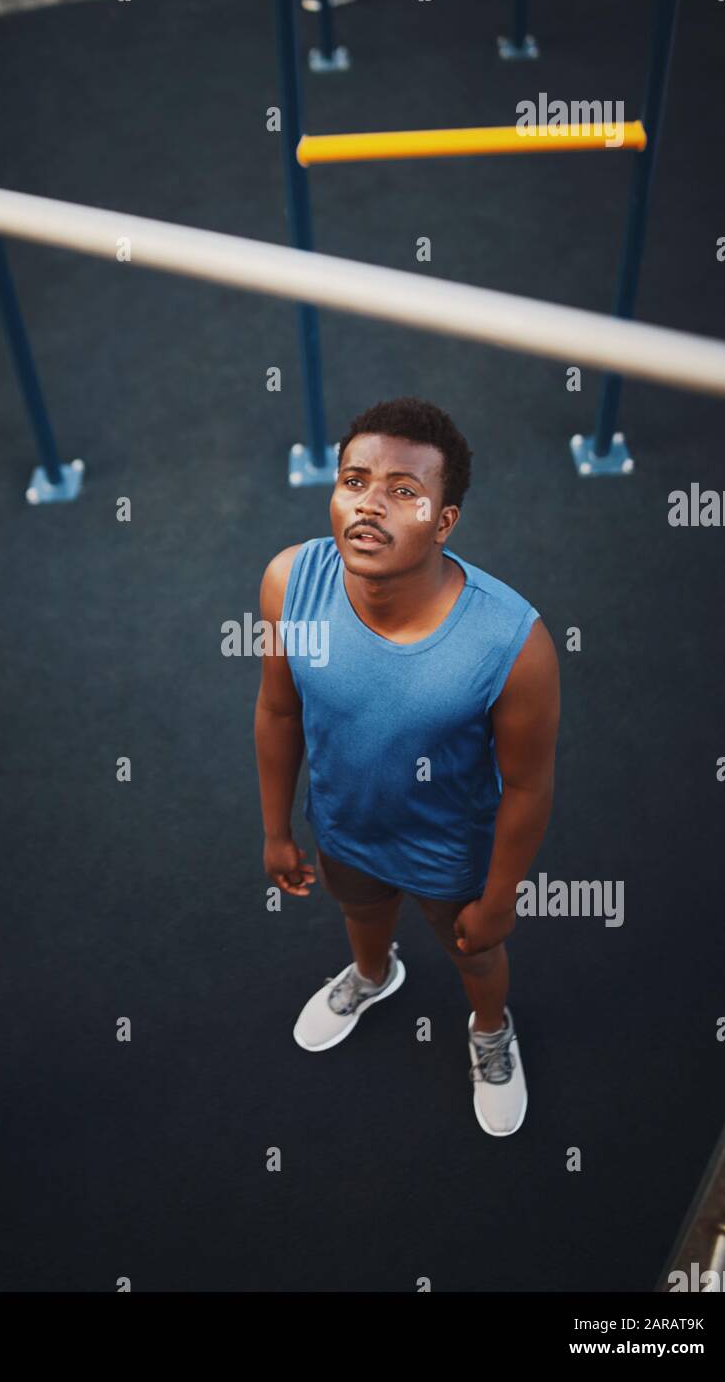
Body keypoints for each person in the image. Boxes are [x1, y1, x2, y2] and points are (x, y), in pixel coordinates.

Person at [254, 396, 560, 1136]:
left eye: (403, 492)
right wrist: (275, 831)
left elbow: (526, 786)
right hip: (342, 824)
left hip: (448, 851)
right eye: (354, 481)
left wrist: (500, 896)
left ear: (443, 520)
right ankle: (371, 975)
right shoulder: (289, 581)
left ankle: (489, 1032)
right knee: (360, 915)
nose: (369, 505)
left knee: (477, 956)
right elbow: (278, 711)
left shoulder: (514, 643)